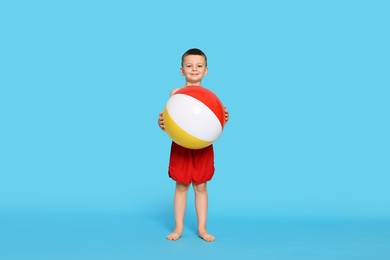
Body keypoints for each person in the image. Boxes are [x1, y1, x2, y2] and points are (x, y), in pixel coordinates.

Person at [158, 48, 229, 242]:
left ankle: (202, 228)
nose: (194, 69)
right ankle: (178, 227)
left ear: (206, 70)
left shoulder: (211, 96)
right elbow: (170, 122)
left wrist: (224, 119)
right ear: (182, 70)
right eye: (189, 66)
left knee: (201, 186)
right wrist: (161, 123)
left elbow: (215, 122)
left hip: (203, 147)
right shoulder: (176, 93)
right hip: (180, 147)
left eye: (199, 66)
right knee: (181, 186)